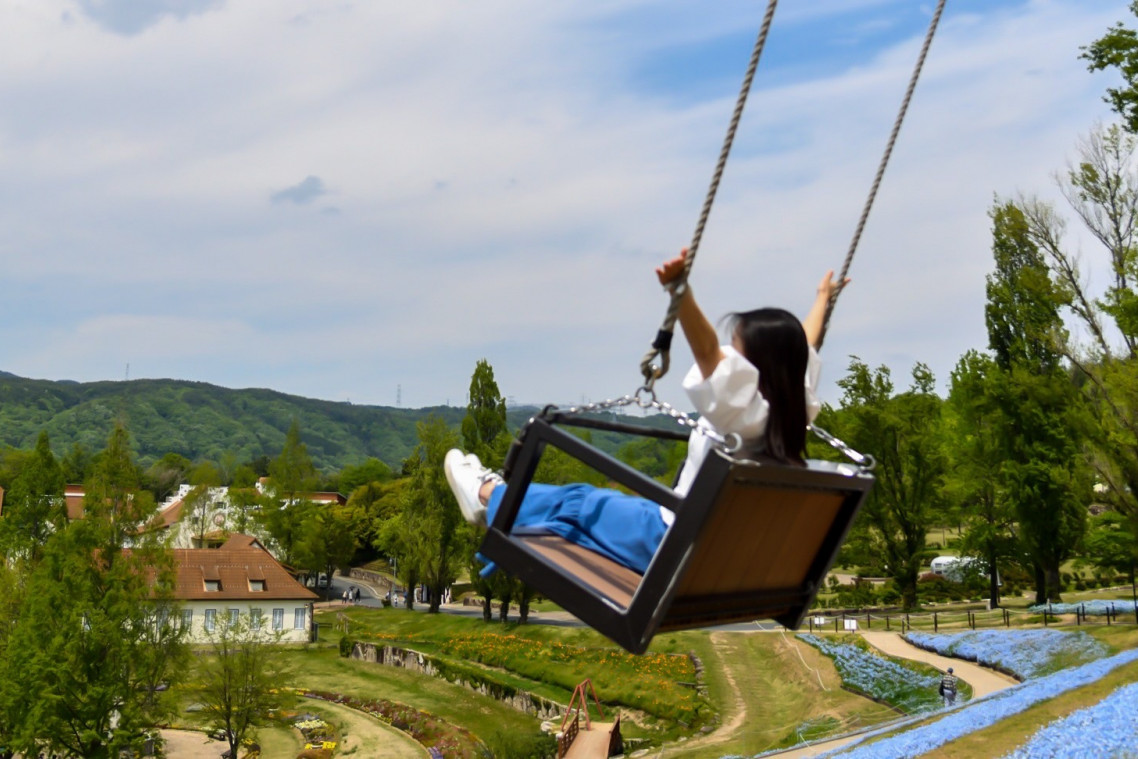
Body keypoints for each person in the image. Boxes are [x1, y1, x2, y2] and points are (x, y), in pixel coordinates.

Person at [445, 248, 847, 576]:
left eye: (737, 350)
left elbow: (708, 353)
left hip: (667, 542)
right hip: (715, 559)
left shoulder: (742, 413)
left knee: (580, 502)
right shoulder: (796, 406)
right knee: (588, 506)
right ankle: (495, 506)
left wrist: (680, 291)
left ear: (755, 366)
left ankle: (485, 494)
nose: (730, 357)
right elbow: (804, 348)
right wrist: (822, 299)